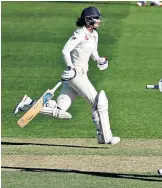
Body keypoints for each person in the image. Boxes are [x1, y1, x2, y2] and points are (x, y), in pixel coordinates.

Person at [14, 7, 120, 145]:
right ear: (88, 20)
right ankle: (105, 137)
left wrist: (99, 60)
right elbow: (65, 50)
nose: (99, 21)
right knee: (98, 103)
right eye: (97, 18)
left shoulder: (94, 34)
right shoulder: (79, 34)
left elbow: (93, 50)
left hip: (83, 74)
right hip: (75, 75)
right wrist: (71, 67)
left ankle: (28, 104)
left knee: (60, 110)